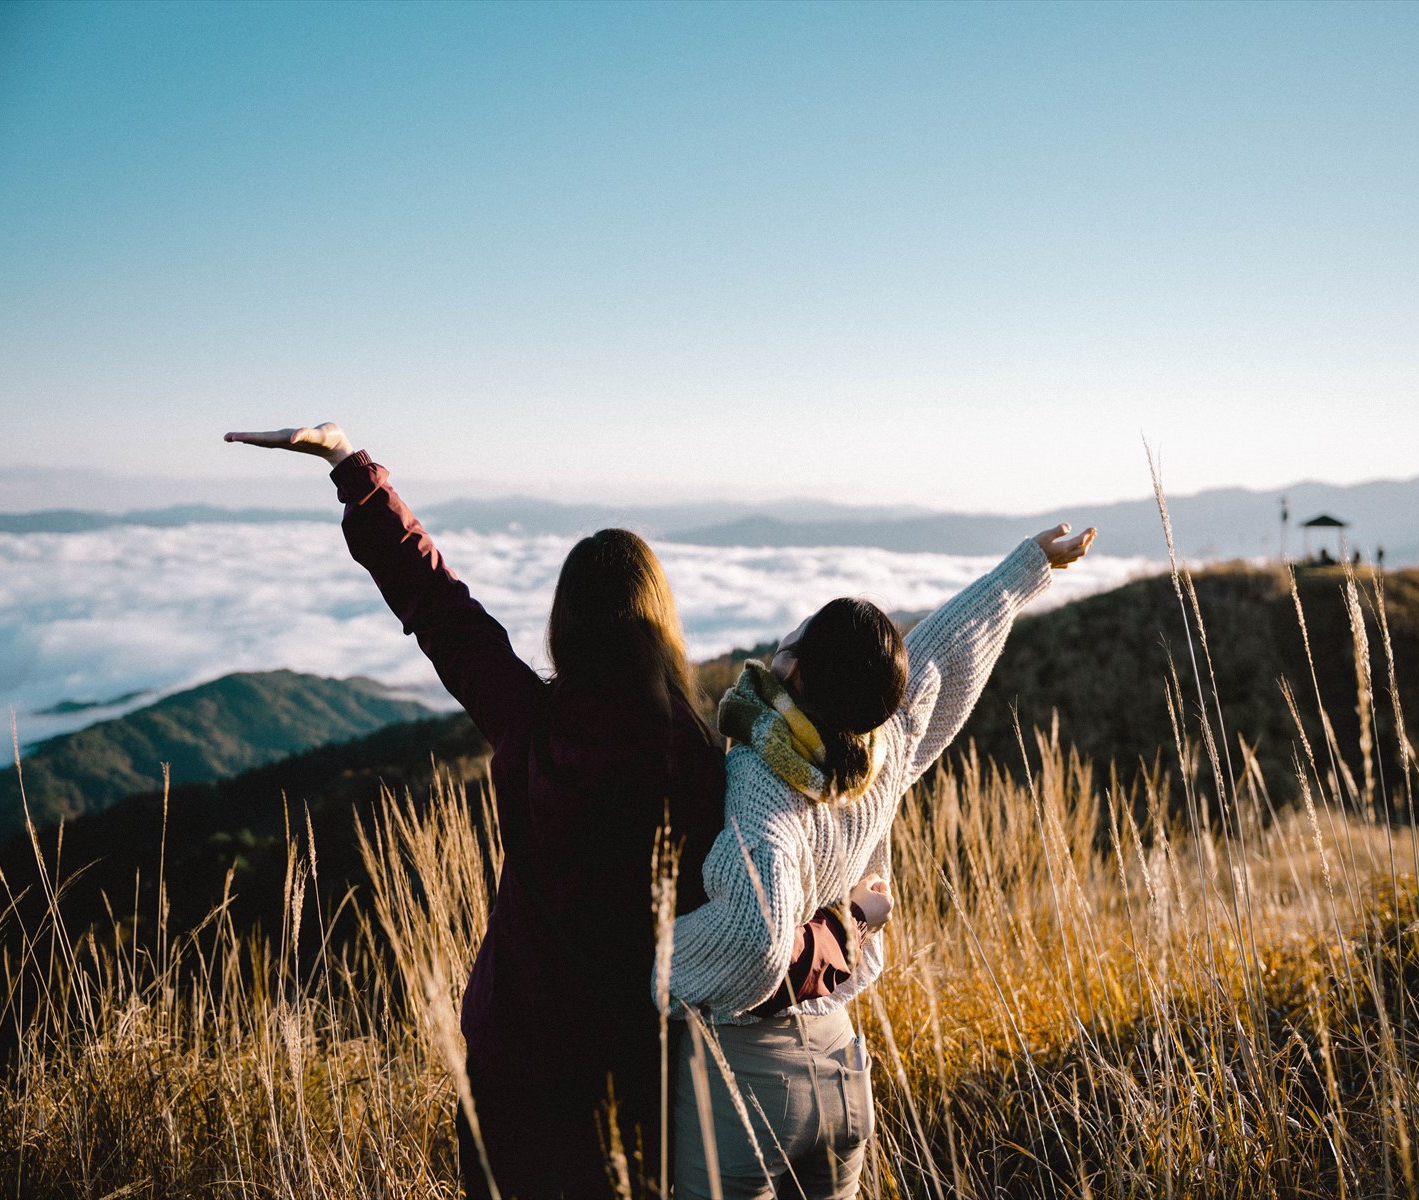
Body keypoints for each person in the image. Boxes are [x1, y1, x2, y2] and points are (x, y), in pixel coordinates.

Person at [225, 423, 883, 1200]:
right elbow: (752, 946)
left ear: (564, 625)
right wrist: (844, 928)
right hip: (636, 1077)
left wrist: (350, 468)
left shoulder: (528, 723)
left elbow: (438, 608)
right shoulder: (703, 768)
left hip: (513, 1063)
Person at [661, 521, 1095, 1199]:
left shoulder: (762, 780)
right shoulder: (881, 746)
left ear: (794, 669)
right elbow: (941, 656)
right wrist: (1025, 571)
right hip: (840, 1066)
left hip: (749, 1085)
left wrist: (654, 960)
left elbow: (753, 938)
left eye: (800, 632)